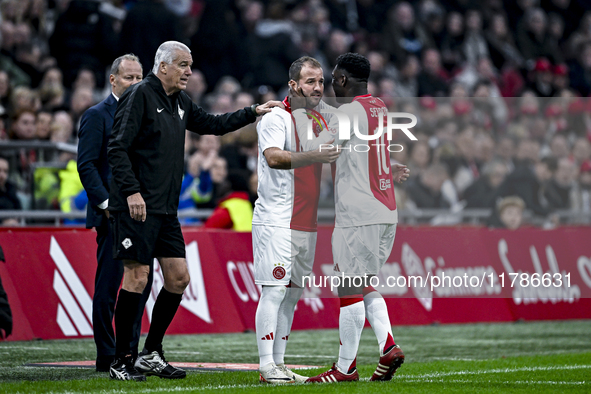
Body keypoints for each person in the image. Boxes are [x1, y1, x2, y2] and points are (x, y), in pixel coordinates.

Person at [107, 41, 282, 381]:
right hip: (137, 206)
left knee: (178, 278)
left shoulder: (180, 101)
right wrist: (132, 192)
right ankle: (120, 359)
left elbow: (212, 124)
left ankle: (151, 353)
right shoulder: (140, 94)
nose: (190, 71)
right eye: (184, 65)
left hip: (165, 209)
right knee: (137, 277)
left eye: (190, 65)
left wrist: (253, 111)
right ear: (163, 67)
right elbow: (117, 147)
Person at [306, 53, 409, 383]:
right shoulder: (378, 106)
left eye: (333, 78)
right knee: (362, 284)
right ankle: (388, 346)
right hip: (385, 211)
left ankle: (344, 368)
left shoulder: (348, 112)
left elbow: (323, 148)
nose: (330, 85)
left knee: (348, 288)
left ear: (343, 80)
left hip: (358, 214)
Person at [252, 56, 341, 384]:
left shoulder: (317, 119)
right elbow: (274, 158)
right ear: (293, 85)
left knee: (291, 294)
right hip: (276, 218)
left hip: (306, 222)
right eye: (309, 82)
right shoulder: (277, 118)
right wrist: (316, 155)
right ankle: (265, 366)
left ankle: (279, 364)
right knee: (274, 291)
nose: (317, 88)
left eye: (320, 81)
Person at [77, 54, 149, 372]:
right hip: (111, 215)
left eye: (139, 78)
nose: (135, 83)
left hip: (140, 213)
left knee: (139, 285)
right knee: (108, 286)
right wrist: (105, 205)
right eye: (129, 77)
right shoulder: (96, 115)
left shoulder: (145, 115)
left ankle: (128, 352)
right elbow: (87, 165)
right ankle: (107, 354)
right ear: (113, 80)